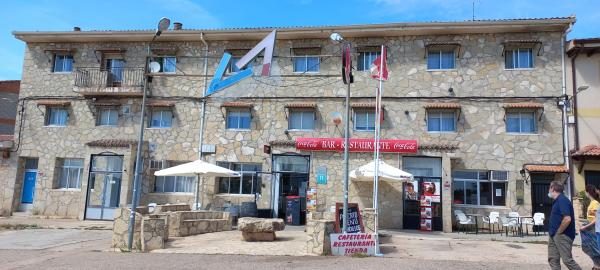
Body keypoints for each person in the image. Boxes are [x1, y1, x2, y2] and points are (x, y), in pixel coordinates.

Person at [547, 181, 582, 270]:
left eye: (549, 188)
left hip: (562, 235)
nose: (549, 190)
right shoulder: (557, 200)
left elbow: (567, 219)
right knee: (553, 259)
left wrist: (558, 232)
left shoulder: (562, 200)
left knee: (567, 260)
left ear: (553, 189)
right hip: (553, 235)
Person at [581, 184, 600, 269]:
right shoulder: (592, 202)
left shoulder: (595, 203)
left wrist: (585, 227)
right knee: (591, 248)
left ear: (588, 192)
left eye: (585, 191)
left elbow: (597, 219)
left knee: (594, 248)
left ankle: (597, 266)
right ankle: (596, 265)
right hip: (591, 228)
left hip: (593, 229)